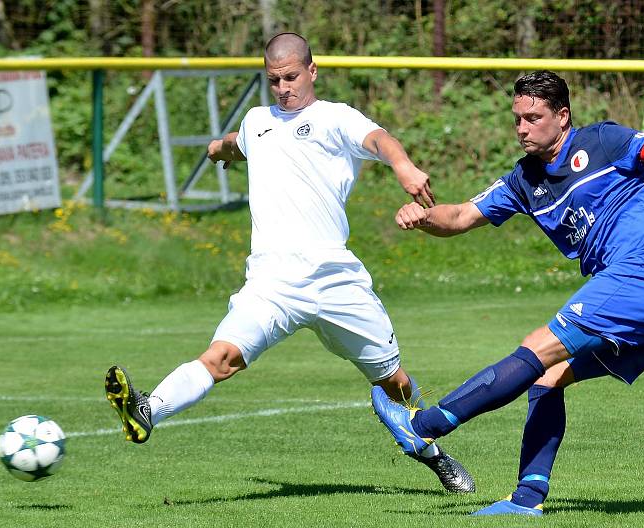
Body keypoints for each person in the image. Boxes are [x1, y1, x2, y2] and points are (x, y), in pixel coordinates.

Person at [104, 32, 474, 494]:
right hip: (272, 281)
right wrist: (219, 149)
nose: (283, 87)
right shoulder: (258, 121)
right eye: (274, 79)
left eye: (291, 76)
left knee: (393, 383)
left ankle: (434, 455)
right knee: (221, 358)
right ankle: (146, 410)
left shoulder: (334, 118)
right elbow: (239, 144)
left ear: (312, 72)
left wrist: (402, 166)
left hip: (334, 279)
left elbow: (381, 140)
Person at [371, 70, 644, 515]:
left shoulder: (605, 141)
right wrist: (423, 216)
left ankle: (424, 426)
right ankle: (526, 500)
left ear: (563, 116)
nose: (522, 128)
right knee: (548, 379)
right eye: (517, 119)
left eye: (533, 117)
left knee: (538, 347)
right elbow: (458, 218)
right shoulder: (524, 181)